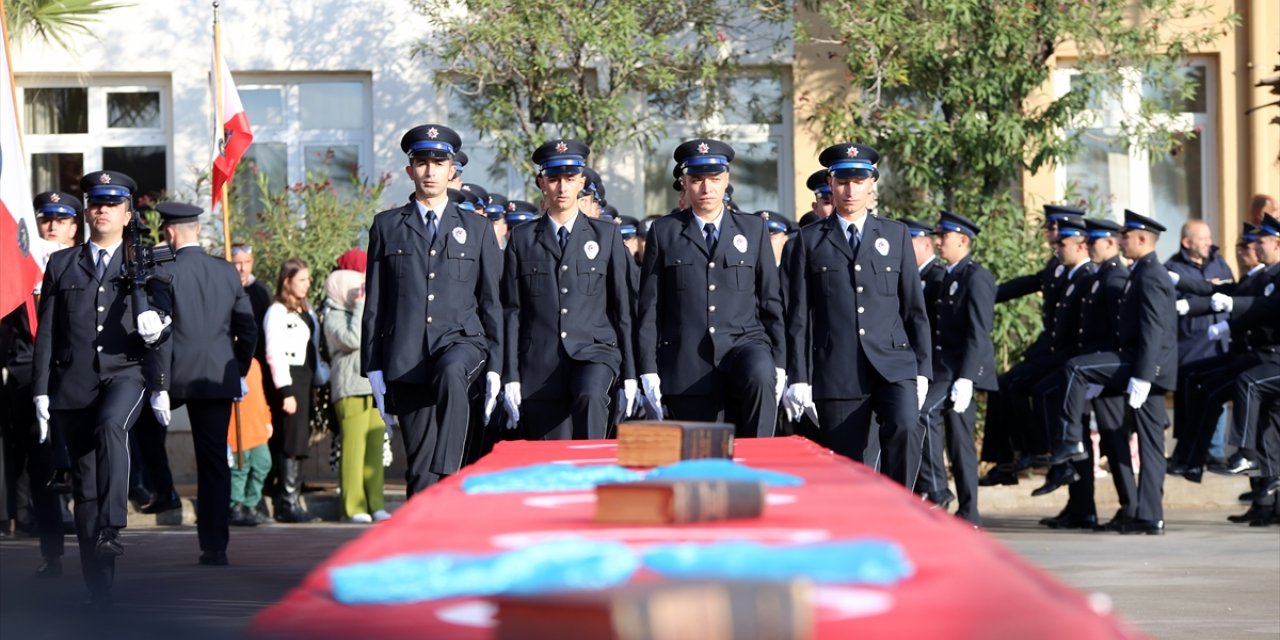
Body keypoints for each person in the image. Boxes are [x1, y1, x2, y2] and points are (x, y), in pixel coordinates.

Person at [32, 170, 172, 605]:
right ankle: (99, 584)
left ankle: (115, 524)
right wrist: (40, 391)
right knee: (84, 489)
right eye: (96, 202)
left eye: (112, 204)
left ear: (128, 213)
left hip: (125, 374)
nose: (102, 210)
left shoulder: (147, 260)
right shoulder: (62, 264)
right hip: (73, 385)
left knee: (113, 426)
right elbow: (48, 334)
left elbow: (165, 314)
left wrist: (158, 330)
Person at [362, 124, 503, 497]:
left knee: (453, 371)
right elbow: (376, 301)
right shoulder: (387, 225)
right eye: (422, 163)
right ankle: (420, 547)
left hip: (461, 343)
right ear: (410, 170)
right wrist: (372, 366)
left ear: (452, 170)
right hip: (406, 358)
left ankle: (451, 466)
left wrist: (498, 367)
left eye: (438, 163)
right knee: (420, 475)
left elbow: (492, 302)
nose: (429, 171)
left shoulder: (476, 228)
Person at [782, 143, 931, 487]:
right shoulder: (807, 241)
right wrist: (799, 377)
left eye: (858, 181)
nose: (850, 190)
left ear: (871, 184)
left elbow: (914, 309)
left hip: (893, 363)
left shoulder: (894, 235)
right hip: (838, 368)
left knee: (907, 426)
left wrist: (922, 369)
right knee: (848, 463)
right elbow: (799, 318)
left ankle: (899, 508)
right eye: (842, 182)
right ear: (831, 184)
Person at [636, 139, 785, 438]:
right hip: (687, 361)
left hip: (744, 348)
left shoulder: (753, 229)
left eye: (715, 180)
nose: (706, 189)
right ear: (684, 183)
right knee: (702, 463)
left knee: (759, 374)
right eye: (697, 180)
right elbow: (650, 307)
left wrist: (779, 363)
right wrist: (648, 369)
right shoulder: (665, 232)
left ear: (727, 180)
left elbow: (770, 301)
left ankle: (759, 474)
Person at [1049, 210, 1177, 535]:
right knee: (1146, 444)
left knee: (1148, 443)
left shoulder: (1150, 274)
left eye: (1127, 237)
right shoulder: (1141, 272)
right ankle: (1145, 514)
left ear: (1143, 239)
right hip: (1138, 363)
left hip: (1146, 365)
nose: (1122, 241)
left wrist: (1145, 375)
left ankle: (1149, 515)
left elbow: (1154, 329)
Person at [500, 139, 636, 440]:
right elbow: (512, 311)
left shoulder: (606, 235)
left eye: (570, 179)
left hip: (595, 353)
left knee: (590, 397)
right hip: (540, 363)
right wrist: (509, 375)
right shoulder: (522, 238)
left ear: (582, 182)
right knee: (551, 459)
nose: (562, 187)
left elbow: (623, 309)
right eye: (554, 179)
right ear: (541, 184)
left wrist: (631, 374)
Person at [154, 202, 256, 564]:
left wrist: (158, 381)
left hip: (174, 376)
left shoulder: (162, 270)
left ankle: (158, 489)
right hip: (217, 377)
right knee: (214, 463)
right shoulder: (227, 272)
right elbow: (247, 327)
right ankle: (215, 546)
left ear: (168, 232)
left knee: (141, 433)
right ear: (197, 230)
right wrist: (236, 369)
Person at [978, 205, 1078, 485]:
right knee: (1003, 385)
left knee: (1016, 383)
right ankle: (1006, 460)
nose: (1048, 234)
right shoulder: (1056, 264)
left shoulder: (1077, 267)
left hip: (1065, 351)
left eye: (1052, 229)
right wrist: (988, 295)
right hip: (1049, 346)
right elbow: (1032, 282)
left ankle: (1035, 451)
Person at [915, 211, 996, 525]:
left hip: (959, 370)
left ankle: (944, 494)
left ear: (963, 240)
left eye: (944, 236)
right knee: (957, 440)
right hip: (943, 367)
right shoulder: (948, 275)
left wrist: (966, 377)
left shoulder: (977, 276)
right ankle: (965, 510)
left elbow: (978, 332)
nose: (939, 241)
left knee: (934, 421)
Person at [1165, 220, 1234, 467]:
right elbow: (1170, 306)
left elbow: (1231, 293)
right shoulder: (1173, 268)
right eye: (1203, 238)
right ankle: (1187, 452)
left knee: (1217, 398)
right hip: (1189, 344)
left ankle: (1214, 452)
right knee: (1187, 400)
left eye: (1209, 237)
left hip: (1219, 344)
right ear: (1187, 242)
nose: (1209, 243)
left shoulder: (1219, 263)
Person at [323, 268, 389, 523]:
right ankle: (353, 506)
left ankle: (376, 503)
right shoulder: (334, 315)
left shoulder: (358, 312)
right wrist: (362, 306)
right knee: (353, 448)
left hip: (372, 387)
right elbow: (352, 339)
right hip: (349, 387)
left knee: (374, 447)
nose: (358, 292)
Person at [265, 258, 326, 522]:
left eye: (308, 279)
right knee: (290, 439)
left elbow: (313, 348)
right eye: (301, 279)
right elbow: (274, 352)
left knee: (299, 439)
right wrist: (286, 390)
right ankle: (287, 501)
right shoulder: (277, 311)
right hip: (290, 379)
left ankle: (291, 498)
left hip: (306, 379)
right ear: (287, 281)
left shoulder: (306, 309)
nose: (307, 284)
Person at [228, 357, 273, 527]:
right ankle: (235, 507)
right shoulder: (228, 361)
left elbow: (260, 395)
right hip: (236, 427)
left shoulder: (254, 363)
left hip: (257, 426)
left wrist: (267, 419)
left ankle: (250, 504)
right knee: (240, 469)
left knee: (263, 464)